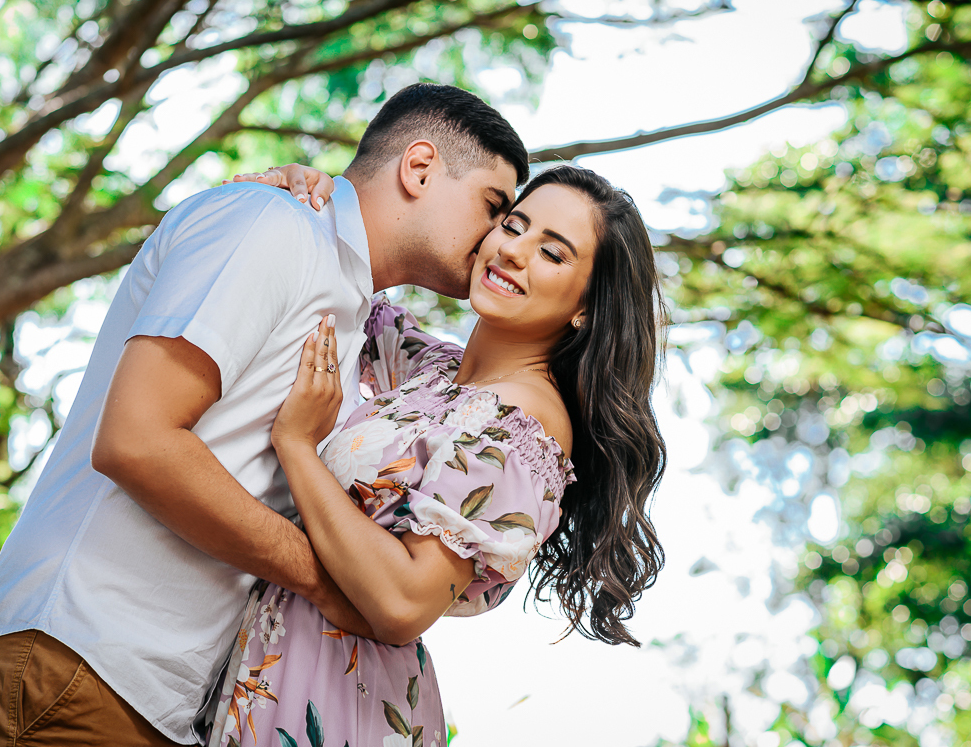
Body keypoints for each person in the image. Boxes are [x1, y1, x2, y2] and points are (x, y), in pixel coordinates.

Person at [0, 83, 528, 747]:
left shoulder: (354, 318)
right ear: (419, 169)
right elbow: (137, 441)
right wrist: (324, 582)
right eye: (494, 206)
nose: (500, 239)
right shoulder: (269, 225)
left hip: (151, 701)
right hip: (76, 662)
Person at [205, 163, 667, 746]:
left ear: (586, 308)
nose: (513, 251)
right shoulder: (441, 376)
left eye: (553, 253)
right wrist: (307, 196)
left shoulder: (523, 426)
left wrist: (296, 446)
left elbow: (403, 602)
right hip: (268, 670)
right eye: (514, 225)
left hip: (341, 699)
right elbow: (354, 283)